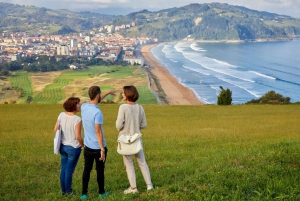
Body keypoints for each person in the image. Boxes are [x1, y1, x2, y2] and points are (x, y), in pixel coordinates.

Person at [116, 85, 153, 194]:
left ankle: (133, 188)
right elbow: (144, 124)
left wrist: (124, 128)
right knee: (142, 162)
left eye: (123, 93)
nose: (122, 94)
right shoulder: (140, 107)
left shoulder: (123, 107)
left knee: (129, 164)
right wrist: (135, 127)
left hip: (125, 139)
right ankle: (149, 185)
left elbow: (118, 125)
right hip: (137, 138)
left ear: (127, 95)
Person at [80, 86, 115, 200]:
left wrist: (108, 92)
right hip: (98, 147)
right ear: (97, 95)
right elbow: (98, 131)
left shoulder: (84, 107)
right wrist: (102, 150)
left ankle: (84, 194)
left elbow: (97, 100)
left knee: (87, 169)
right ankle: (101, 192)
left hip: (87, 147)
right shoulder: (98, 112)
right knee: (100, 170)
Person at [54, 97, 84, 195]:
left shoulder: (61, 115)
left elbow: (56, 129)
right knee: (69, 171)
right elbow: (78, 136)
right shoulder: (78, 119)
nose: (80, 105)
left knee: (63, 169)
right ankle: (69, 191)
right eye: (78, 104)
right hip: (73, 148)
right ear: (73, 106)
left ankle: (64, 191)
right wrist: (83, 145)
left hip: (63, 146)